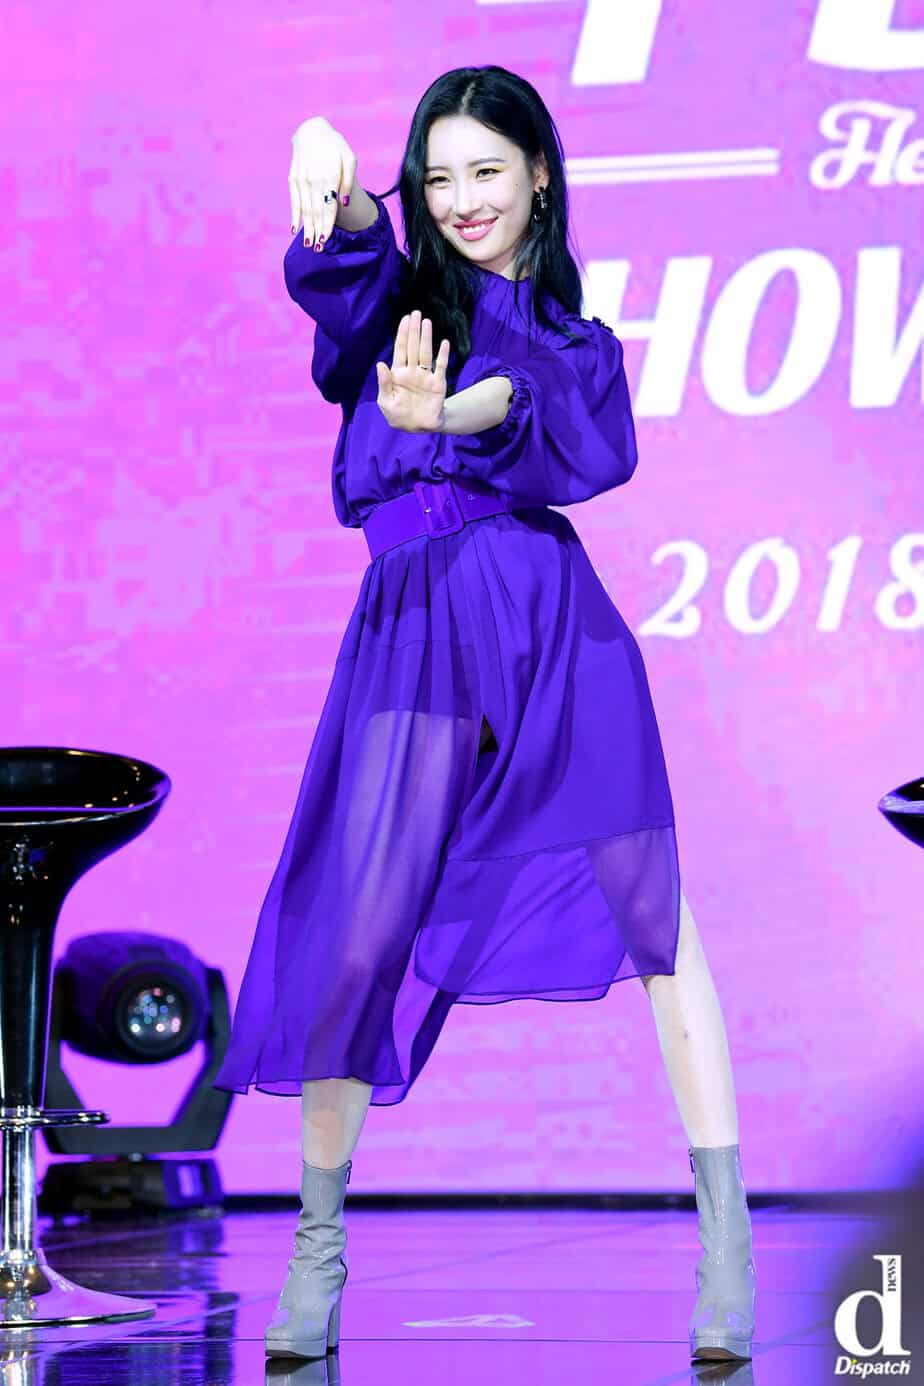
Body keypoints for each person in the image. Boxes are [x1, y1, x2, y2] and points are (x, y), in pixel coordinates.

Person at [212, 65, 756, 1365]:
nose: (462, 199)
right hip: (411, 624)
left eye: (488, 172)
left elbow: (523, 407)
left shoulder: (572, 343)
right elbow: (348, 241)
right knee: (354, 933)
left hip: (546, 623)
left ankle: (727, 1243)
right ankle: (318, 1248)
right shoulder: (397, 301)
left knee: (659, 924)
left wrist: (444, 411)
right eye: (440, 175)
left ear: (540, 177)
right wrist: (326, 153)